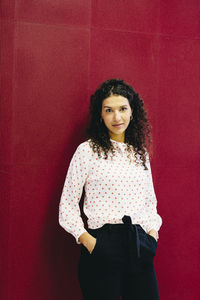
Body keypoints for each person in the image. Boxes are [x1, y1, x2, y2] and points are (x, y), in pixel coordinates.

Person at [58, 78, 162, 300]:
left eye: (123, 109)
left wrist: (152, 237)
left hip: (139, 244)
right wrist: (90, 242)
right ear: (101, 115)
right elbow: (67, 205)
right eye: (109, 110)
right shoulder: (87, 151)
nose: (117, 117)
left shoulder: (139, 153)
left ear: (132, 111)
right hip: (102, 245)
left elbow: (149, 202)